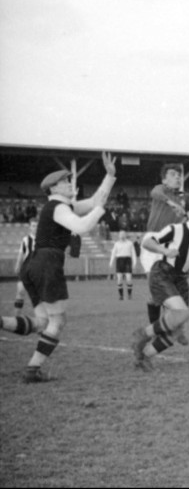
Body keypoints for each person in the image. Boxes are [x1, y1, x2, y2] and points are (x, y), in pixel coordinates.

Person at [0, 153, 116, 383]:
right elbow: (83, 226)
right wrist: (101, 210)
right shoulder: (59, 208)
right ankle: (32, 370)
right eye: (65, 181)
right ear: (53, 188)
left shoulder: (61, 205)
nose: (70, 183)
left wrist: (110, 176)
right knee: (57, 322)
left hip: (33, 265)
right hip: (47, 265)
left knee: (42, 322)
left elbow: (93, 201)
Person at [131, 198, 189, 372]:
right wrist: (165, 251)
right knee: (181, 313)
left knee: (177, 331)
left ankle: (144, 357)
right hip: (163, 273)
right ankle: (143, 333)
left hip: (181, 279)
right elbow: (147, 242)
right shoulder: (175, 229)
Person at [139, 156, 189, 335]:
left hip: (172, 245)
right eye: (173, 174)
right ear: (164, 179)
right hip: (154, 243)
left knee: (169, 290)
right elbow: (155, 193)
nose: (177, 178)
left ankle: (172, 327)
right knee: (156, 293)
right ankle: (158, 327)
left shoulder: (184, 198)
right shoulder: (162, 190)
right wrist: (171, 203)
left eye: (179, 175)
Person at [11, 218, 38, 316]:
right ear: (30, 227)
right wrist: (17, 265)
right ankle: (16, 317)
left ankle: (42, 317)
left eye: (37, 226)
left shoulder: (43, 240)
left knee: (38, 296)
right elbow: (21, 254)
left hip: (38, 271)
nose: (35, 228)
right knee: (20, 291)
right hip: (26, 270)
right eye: (33, 226)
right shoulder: (25, 240)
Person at [109, 230, 137, 300]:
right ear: (119, 236)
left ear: (125, 235)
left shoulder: (130, 243)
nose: (122, 236)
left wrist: (134, 262)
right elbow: (113, 253)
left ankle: (129, 295)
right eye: (121, 234)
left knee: (129, 278)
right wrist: (111, 262)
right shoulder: (117, 244)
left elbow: (133, 253)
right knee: (119, 279)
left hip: (127, 260)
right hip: (119, 261)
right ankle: (121, 296)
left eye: (123, 234)